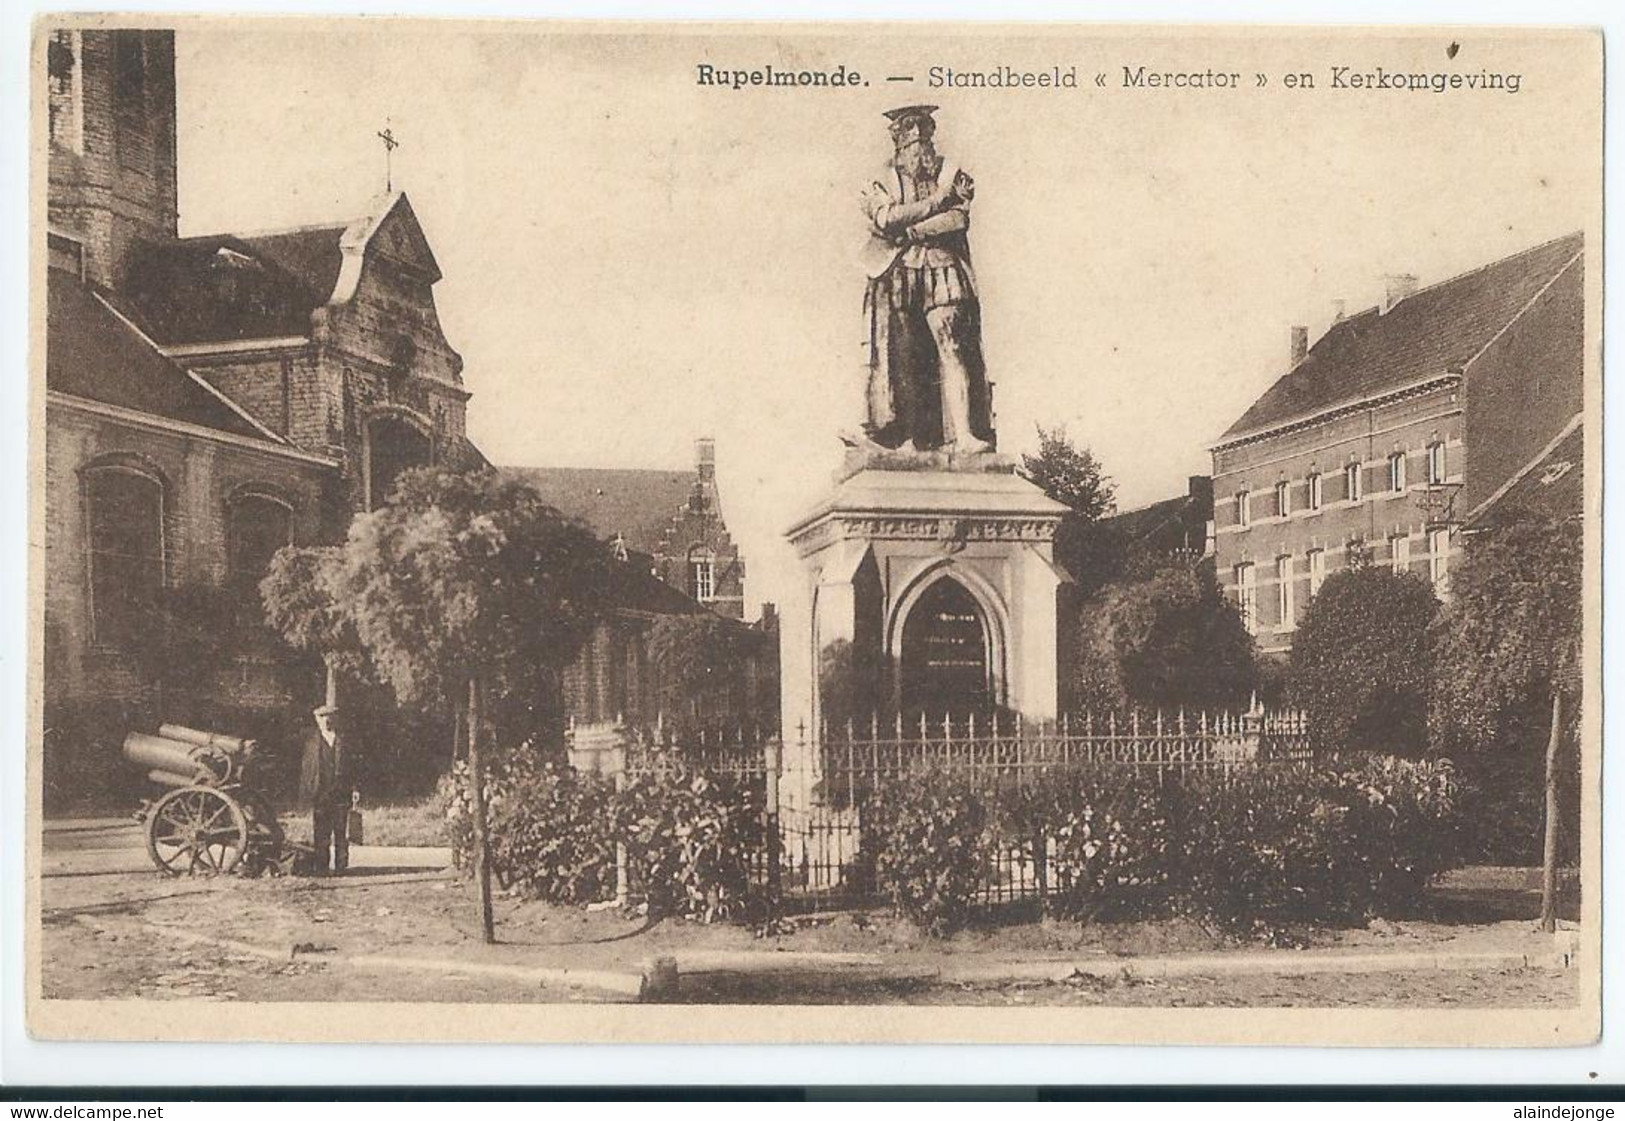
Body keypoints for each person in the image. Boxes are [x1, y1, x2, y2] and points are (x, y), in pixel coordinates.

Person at [859, 104, 995, 455]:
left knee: (952, 347)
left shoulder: (951, 172)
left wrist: (915, 229)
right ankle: (910, 438)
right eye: (911, 144)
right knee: (906, 357)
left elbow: (958, 220)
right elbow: (887, 218)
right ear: (899, 146)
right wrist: (939, 200)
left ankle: (963, 435)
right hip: (900, 273)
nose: (920, 151)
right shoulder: (881, 178)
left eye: (925, 142)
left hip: (942, 265)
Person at [300, 703, 356, 875]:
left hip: (341, 792)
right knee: (321, 832)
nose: (326, 722)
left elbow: (354, 767)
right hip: (320, 792)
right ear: (317, 720)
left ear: (335, 719)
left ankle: (341, 866)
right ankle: (322, 867)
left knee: (340, 831)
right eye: (322, 718)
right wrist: (307, 792)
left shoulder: (344, 741)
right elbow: (306, 770)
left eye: (329, 718)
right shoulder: (311, 743)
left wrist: (355, 788)